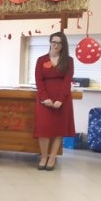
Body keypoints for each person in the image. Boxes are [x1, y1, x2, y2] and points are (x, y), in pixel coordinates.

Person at [33, 31, 75, 170]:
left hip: (62, 100)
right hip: (44, 100)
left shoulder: (68, 60)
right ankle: (43, 157)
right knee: (43, 129)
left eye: (59, 43)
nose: (56, 45)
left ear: (63, 45)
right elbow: (39, 81)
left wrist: (60, 100)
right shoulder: (41, 60)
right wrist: (45, 98)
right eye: (54, 42)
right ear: (50, 42)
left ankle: (52, 158)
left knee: (58, 130)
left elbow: (67, 81)